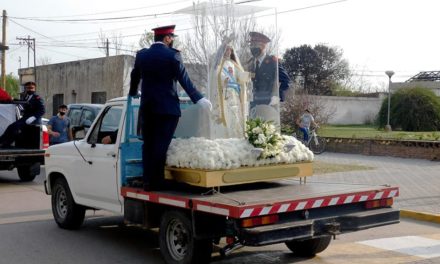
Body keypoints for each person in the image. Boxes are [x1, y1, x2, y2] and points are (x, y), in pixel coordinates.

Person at [128, 25, 212, 191]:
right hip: (167, 109)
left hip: (147, 107)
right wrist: (198, 98)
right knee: (161, 144)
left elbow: (134, 75)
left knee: (149, 144)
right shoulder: (173, 55)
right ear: (167, 38)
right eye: (171, 37)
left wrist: (133, 92)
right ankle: (158, 181)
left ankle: (148, 181)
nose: (172, 40)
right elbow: (183, 78)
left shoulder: (142, 55)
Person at [210, 40, 250, 138]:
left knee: (236, 115)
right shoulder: (219, 64)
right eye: (226, 50)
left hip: (235, 94)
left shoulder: (234, 64)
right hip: (225, 94)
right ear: (222, 51)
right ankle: (227, 136)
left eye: (230, 50)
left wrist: (244, 76)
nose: (228, 52)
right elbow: (216, 76)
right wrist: (224, 79)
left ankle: (237, 135)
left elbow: (238, 75)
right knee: (228, 115)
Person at [247, 32, 290, 109]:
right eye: (251, 45)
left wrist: (277, 97)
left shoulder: (273, 62)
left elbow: (286, 80)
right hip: (253, 105)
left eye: (255, 45)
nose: (252, 48)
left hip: (269, 105)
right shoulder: (251, 63)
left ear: (263, 46)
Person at [0, 81, 45, 148]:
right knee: (11, 127)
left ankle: (6, 143)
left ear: (34, 89)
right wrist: (13, 99)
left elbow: (42, 111)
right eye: (28, 88)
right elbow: (23, 103)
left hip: (33, 119)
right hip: (26, 118)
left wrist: (33, 117)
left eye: (32, 88)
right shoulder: (26, 96)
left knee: (15, 127)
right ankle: (3, 142)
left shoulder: (37, 98)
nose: (30, 90)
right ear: (26, 89)